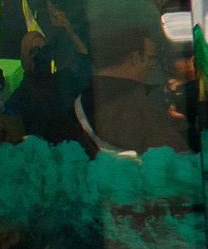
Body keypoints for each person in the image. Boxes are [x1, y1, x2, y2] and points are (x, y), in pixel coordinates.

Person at [79, 23, 188, 154]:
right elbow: (173, 152)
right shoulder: (135, 103)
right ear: (135, 58)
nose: (152, 66)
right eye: (151, 58)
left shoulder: (82, 100)